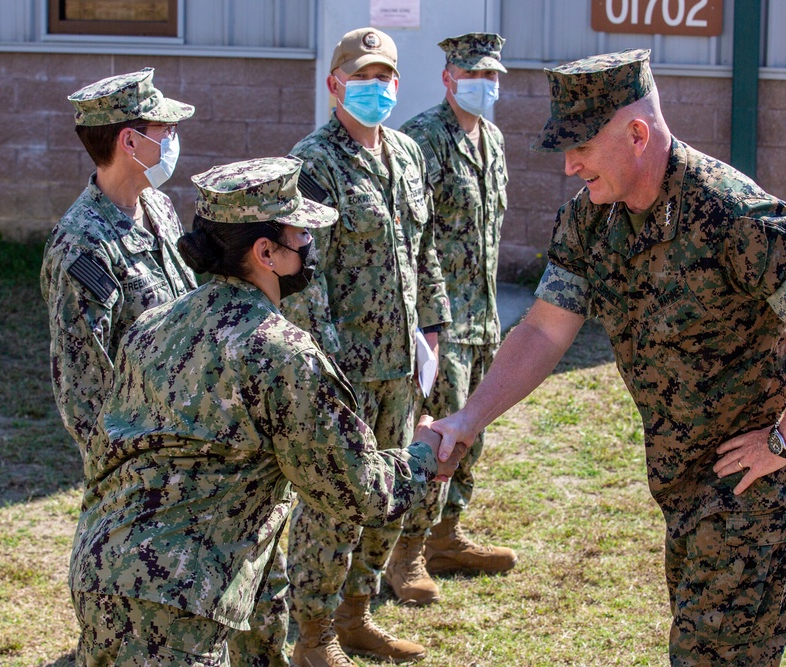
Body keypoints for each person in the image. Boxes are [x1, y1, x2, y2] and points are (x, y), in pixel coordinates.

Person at [432, 49, 786, 666]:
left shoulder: (731, 213)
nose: (568, 167)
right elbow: (543, 331)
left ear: (636, 134)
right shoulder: (590, 219)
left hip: (757, 487)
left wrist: (785, 440)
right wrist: (466, 420)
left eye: (581, 147)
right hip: (684, 481)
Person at [67, 156, 463, 667]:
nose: (309, 247)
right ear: (265, 252)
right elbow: (355, 489)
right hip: (175, 600)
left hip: (104, 568)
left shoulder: (156, 323)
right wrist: (425, 455)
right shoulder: (280, 352)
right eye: (301, 234)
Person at [279, 26, 451, 667]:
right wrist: (323, 364)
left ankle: (357, 616)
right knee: (333, 501)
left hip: (403, 365)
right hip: (345, 368)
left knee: (388, 492)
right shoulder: (312, 163)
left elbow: (425, 249)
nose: (375, 88)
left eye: (384, 78)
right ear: (333, 84)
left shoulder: (407, 156)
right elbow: (303, 270)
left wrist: (434, 327)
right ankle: (314, 636)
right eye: (362, 77)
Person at [389, 32, 517, 606]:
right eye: (474, 76)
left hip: (483, 318)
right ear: (447, 78)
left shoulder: (492, 139)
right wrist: (424, 325)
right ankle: (406, 554)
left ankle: (447, 537)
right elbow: (410, 237)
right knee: (436, 437)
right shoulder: (421, 139)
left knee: (474, 435)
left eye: (493, 77)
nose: (485, 86)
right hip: (441, 321)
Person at [40, 67, 197, 453]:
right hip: (140, 456)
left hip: (187, 431)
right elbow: (83, 388)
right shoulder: (82, 244)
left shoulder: (157, 205)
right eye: (166, 131)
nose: (173, 141)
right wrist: (125, 469)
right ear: (130, 141)